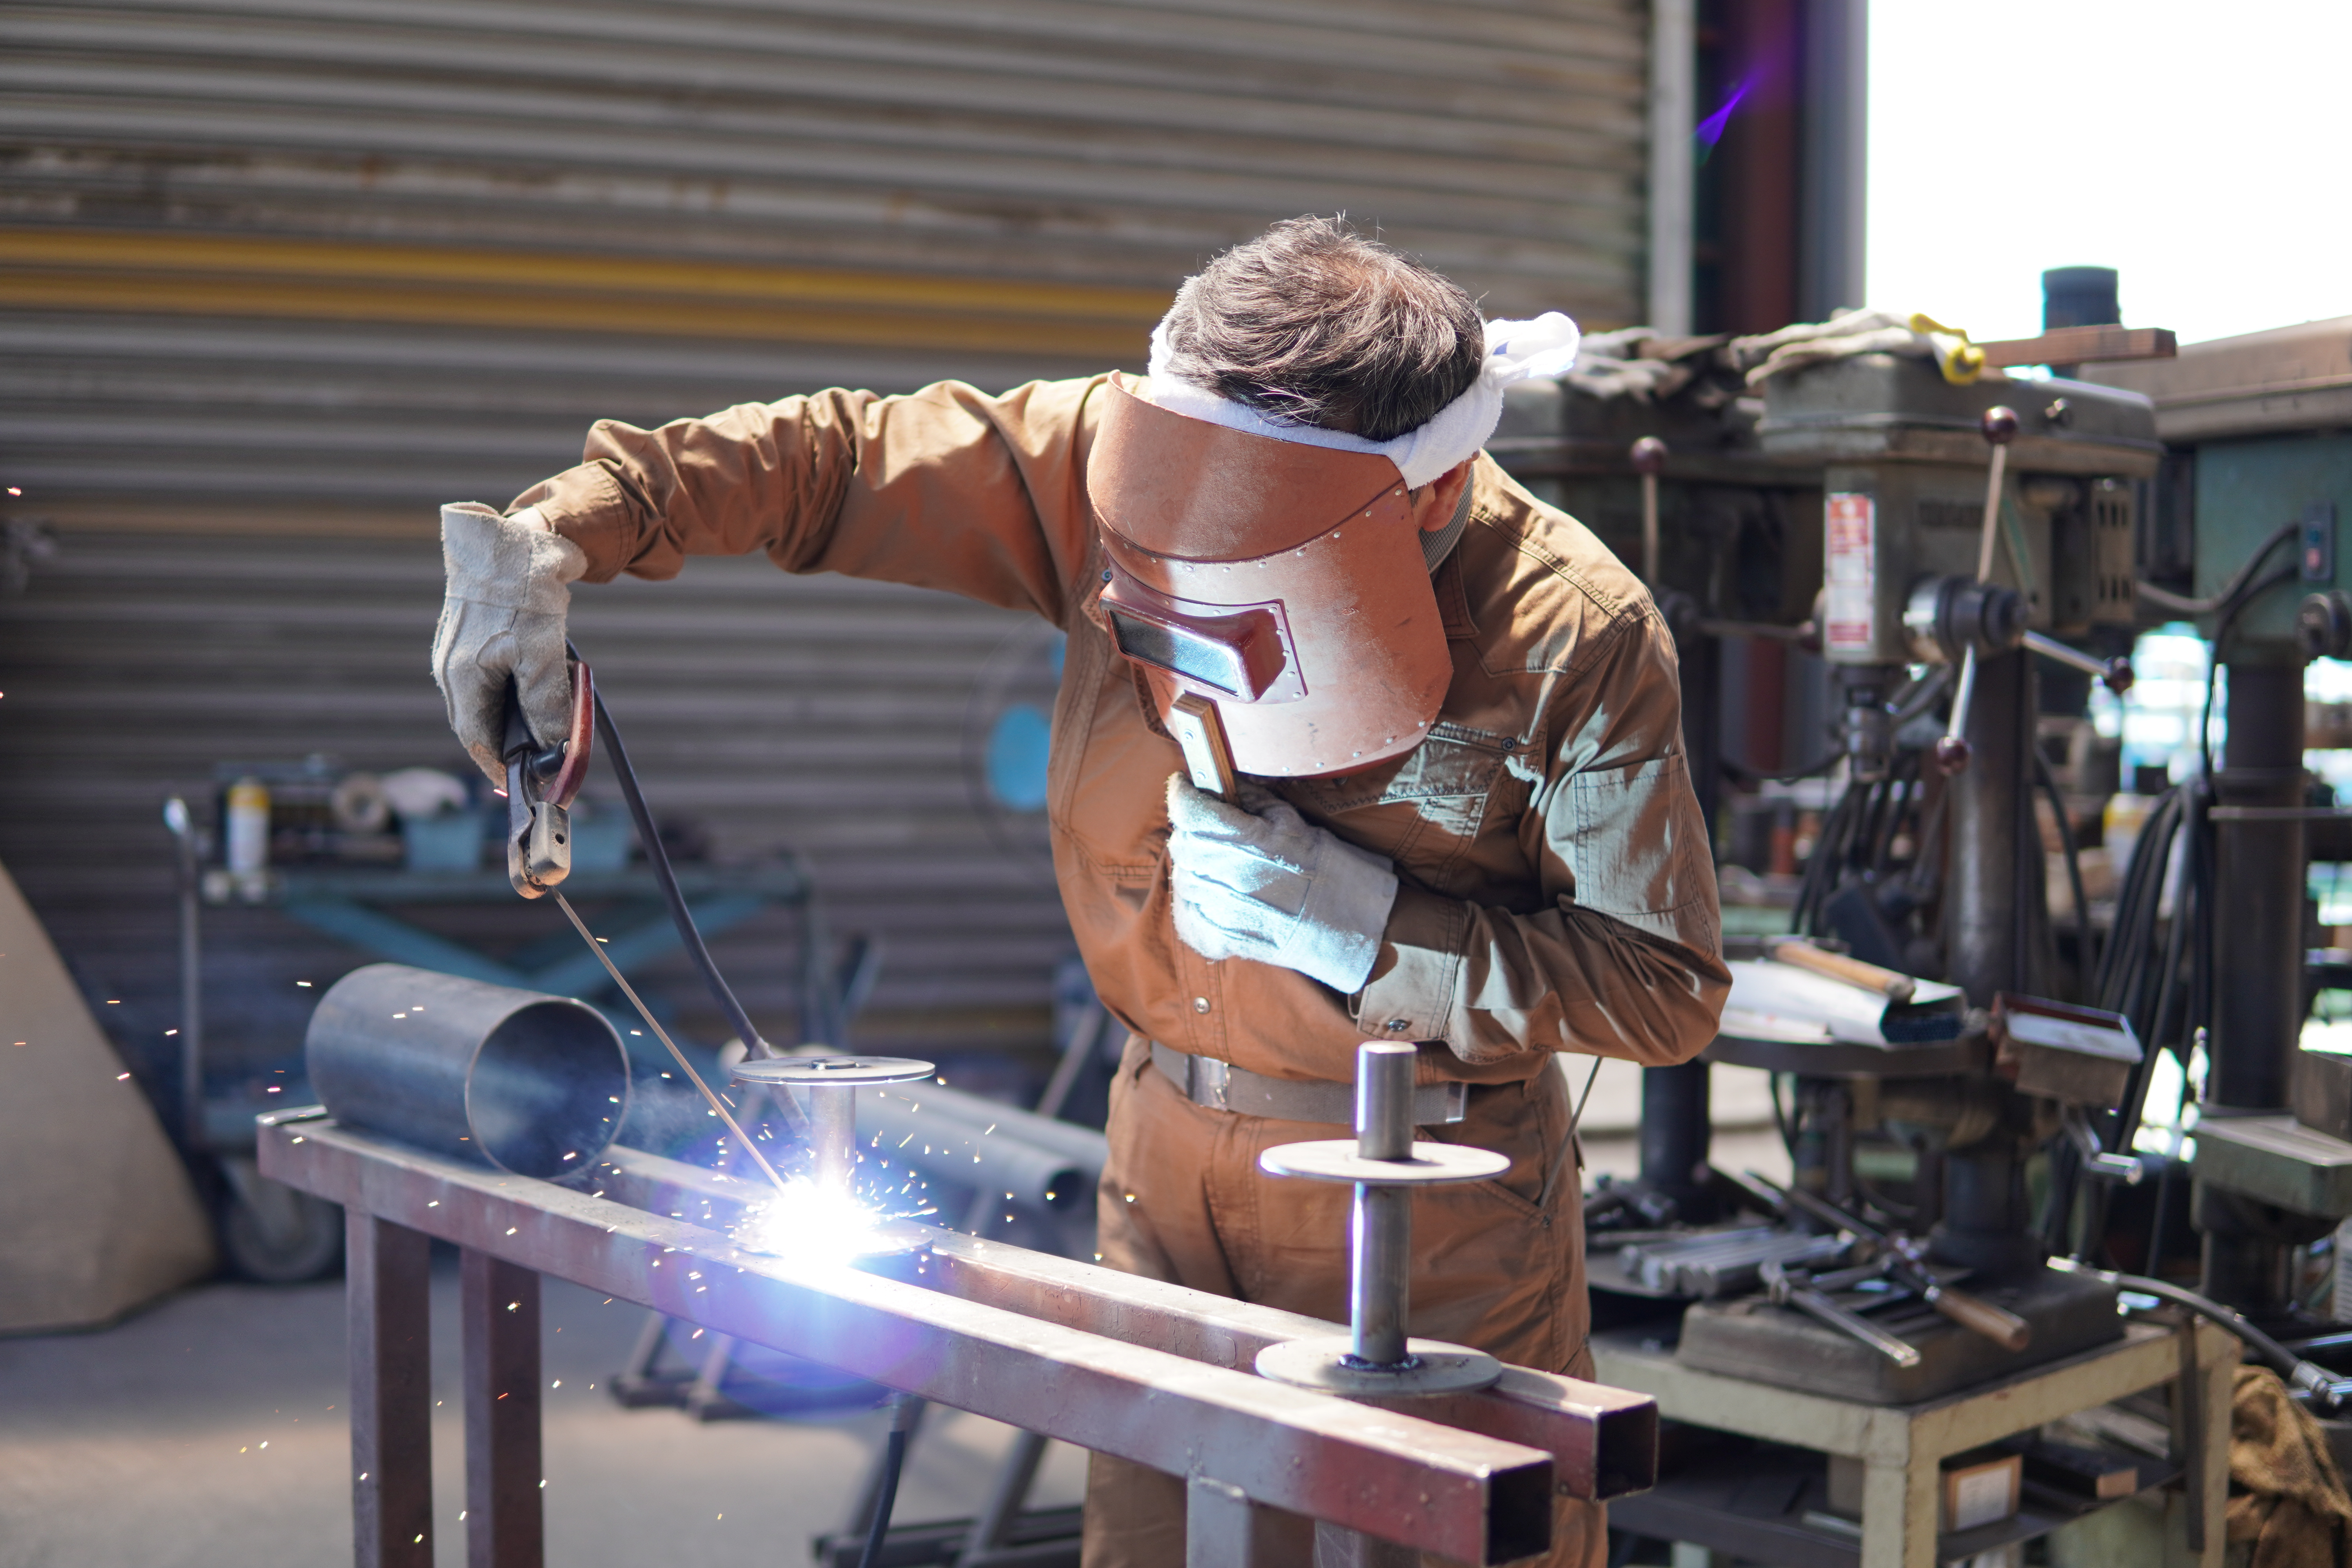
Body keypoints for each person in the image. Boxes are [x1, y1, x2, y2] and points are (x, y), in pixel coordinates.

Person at [431, 216, 1728, 1566]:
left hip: (1430, 1201)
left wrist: (1376, 935)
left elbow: (1663, 989)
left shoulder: (1574, 631)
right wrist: (563, 531)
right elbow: (830, 459)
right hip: (1160, 1161)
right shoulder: (1120, 461)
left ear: (1432, 496)